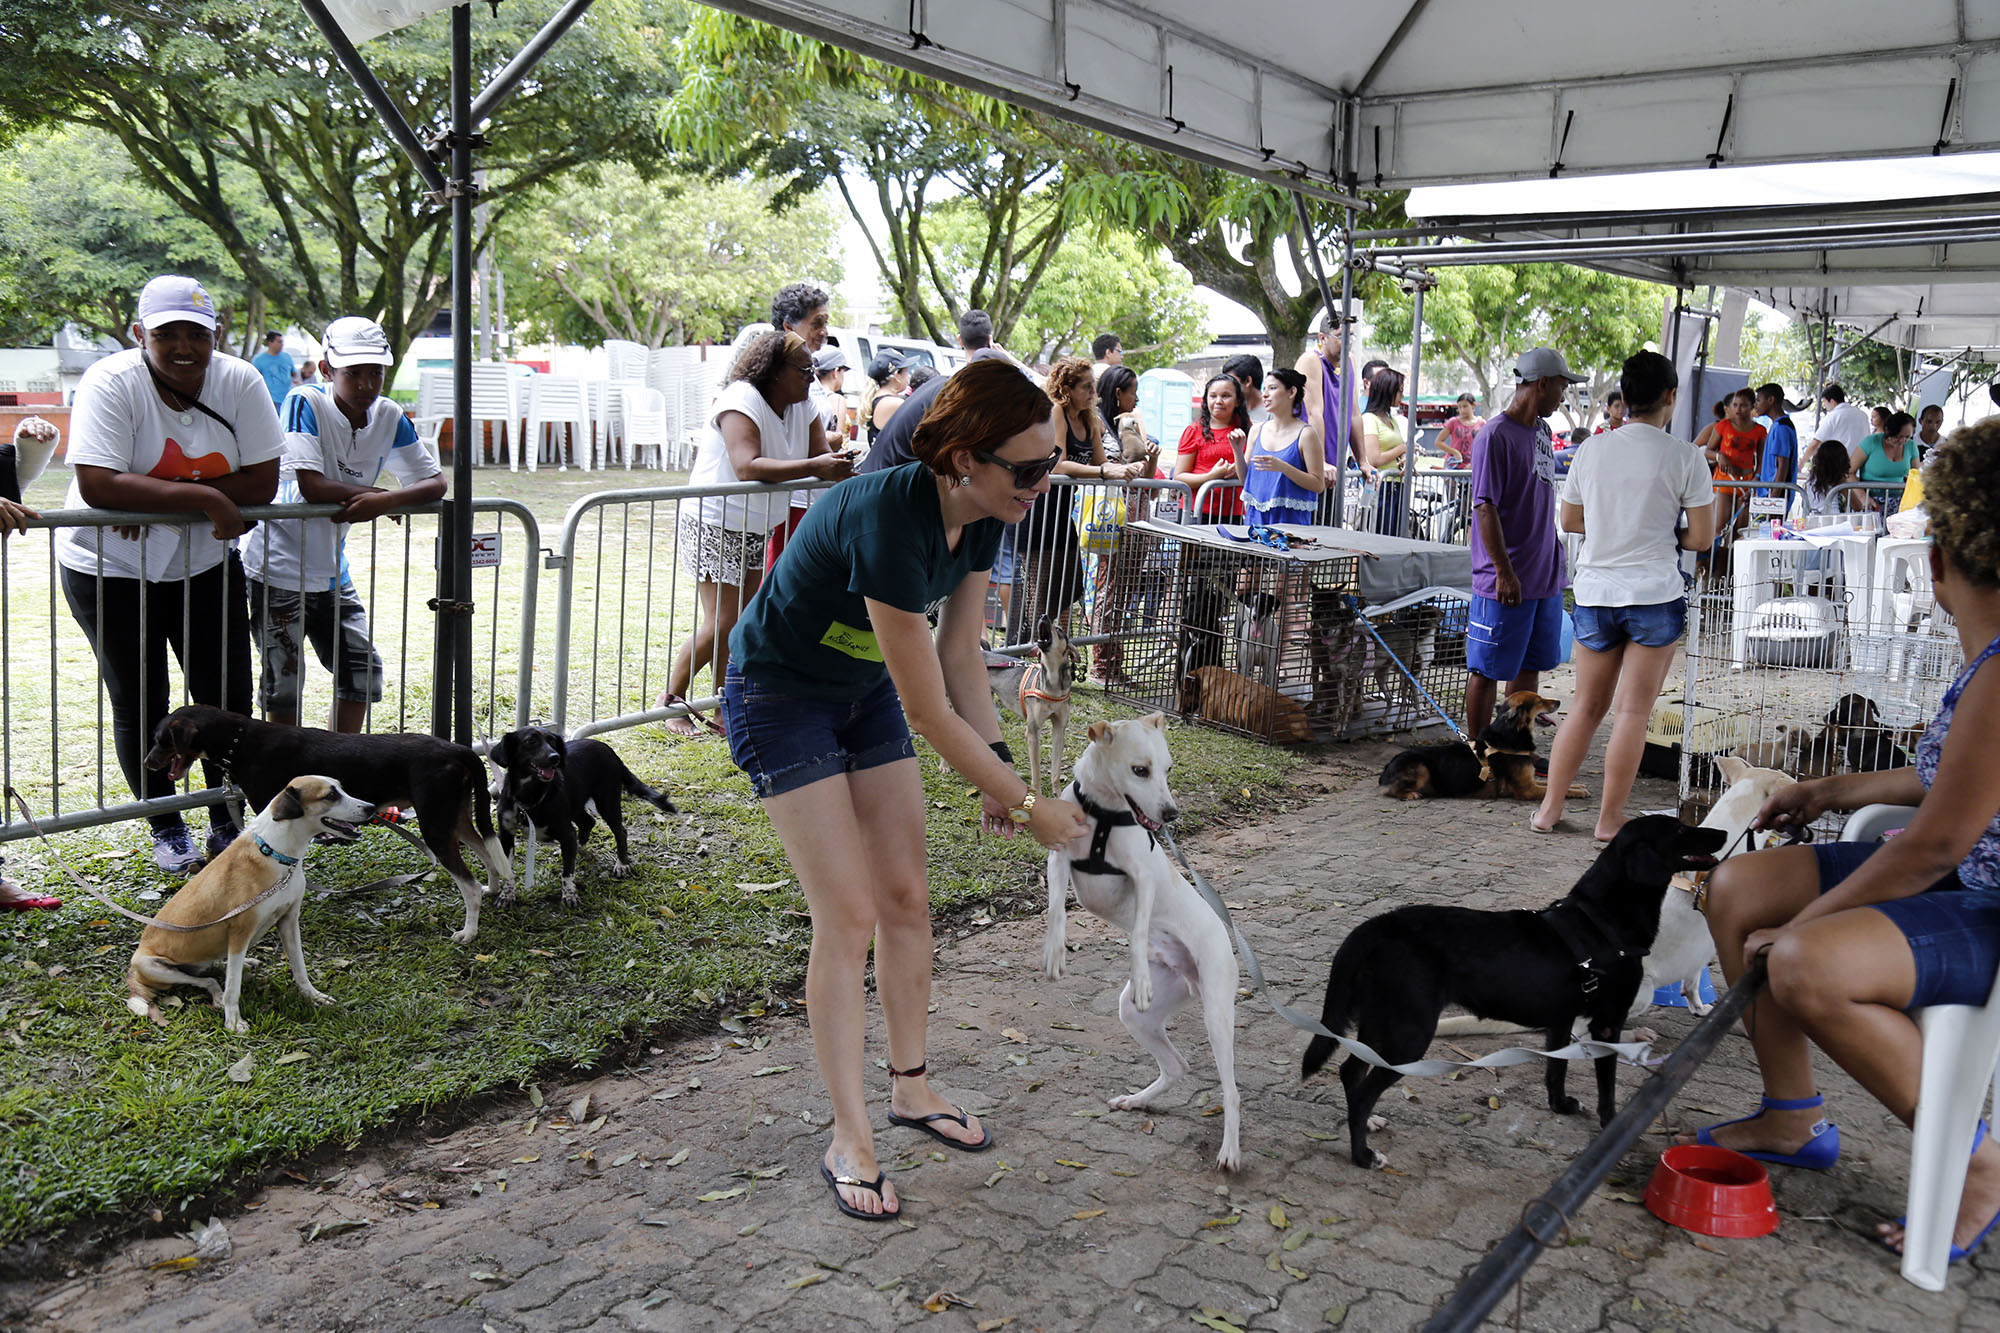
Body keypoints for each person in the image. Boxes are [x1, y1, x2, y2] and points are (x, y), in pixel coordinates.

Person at [720, 358, 1089, 1221]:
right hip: (780, 696)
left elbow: (962, 656)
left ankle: (912, 1090)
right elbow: (929, 708)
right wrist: (1033, 807)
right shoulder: (890, 514)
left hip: (859, 692)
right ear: (965, 457)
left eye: (1053, 465)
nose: (1044, 483)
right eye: (1029, 467)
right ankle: (850, 1135)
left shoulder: (992, 514)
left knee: (906, 899)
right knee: (847, 915)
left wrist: (1002, 775)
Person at [1680, 417, 2000, 1265]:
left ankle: (1977, 1162)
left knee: (1800, 960)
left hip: (1979, 897)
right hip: (1961, 871)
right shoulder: (1986, 657)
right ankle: (1792, 1111)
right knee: (1739, 890)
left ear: (1938, 559)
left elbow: (1932, 845)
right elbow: (1948, 783)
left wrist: (1811, 922)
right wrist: (1829, 790)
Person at [56, 274, 281, 872]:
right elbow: (97, 484)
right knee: (141, 698)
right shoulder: (110, 381)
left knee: (226, 698)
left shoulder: (240, 380)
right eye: (166, 334)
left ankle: (226, 820)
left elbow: (262, 481)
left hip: (204, 564)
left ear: (217, 334)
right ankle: (167, 827)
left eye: (197, 334)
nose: (184, 347)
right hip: (109, 568)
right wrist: (206, 500)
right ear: (139, 335)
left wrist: (149, 496)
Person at [1532, 352, 1715, 841]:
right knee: (1632, 712)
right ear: (1671, 397)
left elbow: (1569, 521)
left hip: (1596, 592)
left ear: (1624, 399)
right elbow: (1701, 538)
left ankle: (1549, 809)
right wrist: (1654, 532)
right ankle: (1610, 820)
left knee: (1585, 706)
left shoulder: (1592, 450)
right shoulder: (1686, 457)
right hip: (1655, 592)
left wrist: (1615, 528)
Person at [242, 317, 445, 732]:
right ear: (327, 371)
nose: (367, 384)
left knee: (362, 671)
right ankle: (290, 778)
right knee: (284, 681)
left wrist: (386, 500)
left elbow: (435, 483)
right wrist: (376, 497)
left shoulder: (388, 415)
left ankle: (340, 762)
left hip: (333, 572)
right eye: (354, 373)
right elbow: (311, 485)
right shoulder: (305, 402)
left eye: (376, 373)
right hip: (278, 567)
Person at [662, 331, 853, 737]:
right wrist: (817, 465)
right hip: (714, 518)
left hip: (754, 523)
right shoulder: (741, 399)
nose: (810, 377)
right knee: (722, 622)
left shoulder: (803, 405)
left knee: (742, 621)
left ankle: (722, 707)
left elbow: (820, 457)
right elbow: (746, 465)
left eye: (813, 369)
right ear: (774, 371)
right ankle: (671, 702)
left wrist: (836, 465)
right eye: (803, 370)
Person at [1463, 347, 1578, 736]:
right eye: (1562, 386)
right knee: (1487, 668)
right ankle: (1479, 752)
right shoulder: (1494, 435)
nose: (1564, 396)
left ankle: (1513, 748)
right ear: (1542, 383)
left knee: (1529, 663)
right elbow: (1485, 507)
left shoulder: (1543, 431)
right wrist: (1503, 571)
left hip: (1543, 573)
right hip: (1505, 576)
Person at [859, 310, 1009, 475]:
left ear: (960, 340)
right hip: (888, 481)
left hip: (886, 475)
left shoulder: (949, 381)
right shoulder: (955, 392)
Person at [1016, 357, 1105, 632]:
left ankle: (1062, 648)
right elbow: (1059, 462)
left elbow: (1100, 462)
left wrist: (1116, 468)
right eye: (1086, 387)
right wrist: (1105, 473)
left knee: (1069, 585)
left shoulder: (1089, 419)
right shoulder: (1057, 412)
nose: (1092, 393)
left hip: (1065, 514)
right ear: (1067, 389)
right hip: (1040, 512)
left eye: (1094, 387)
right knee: (1041, 590)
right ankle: (1033, 648)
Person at [1087, 366, 1156, 685]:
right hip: (1111, 520)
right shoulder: (1098, 424)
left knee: (1123, 592)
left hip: (1138, 518)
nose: (1137, 397)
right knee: (1110, 590)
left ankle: (1116, 666)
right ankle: (1101, 666)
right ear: (1118, 393)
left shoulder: (1130, 425)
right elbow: (1101, 466)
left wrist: (1150, 459)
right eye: (1133, 390)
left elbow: (1147, 479)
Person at [1232, 366, 1324, 530]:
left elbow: (1318, 484)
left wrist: (1283, 467)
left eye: (1272, 388)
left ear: (1291, 392)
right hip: (1256, 519)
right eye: (1264, 389)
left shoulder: (1306, 434)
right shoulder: (1256, 430)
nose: (1265, 394)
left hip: (1291, 523)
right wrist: (1237, 451)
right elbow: (1246, 479)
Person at [1175, 374, 1249, 522]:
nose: (1218, 401)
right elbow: (1179, 476)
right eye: (1213, 396)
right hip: (1195, 511)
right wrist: (1212, 476)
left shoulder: (1247, 430)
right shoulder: (1194, 430)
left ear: (1237, 401)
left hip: (1233, 513)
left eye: (1226, 396)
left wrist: (1239, 468)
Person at [1703, 388, 1766, 544]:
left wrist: (1756, 479)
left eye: (1743, 405)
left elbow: (1762, 459)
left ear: (1752, 407)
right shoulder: (1723, 426)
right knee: (1719, 528)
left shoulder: (1760, 431)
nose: (1738, 409)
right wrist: (1720, 456)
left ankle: (1731, 567)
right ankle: (1712, 565)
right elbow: (1707, 451)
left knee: (1739, 532)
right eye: (1735, 405)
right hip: (1725, 480)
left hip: (1747, 482)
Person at [1360, 368, 1411, 536]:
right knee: (1383, 535)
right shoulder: (1369, 419)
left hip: (1397, 486)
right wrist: (1403, 448)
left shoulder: (1391, 420)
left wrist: (1408, 457)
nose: (1402, 395)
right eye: (1400, 391)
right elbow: (1374, 458)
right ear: (1388, 391)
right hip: (1381, 487)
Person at [1852, 410, 1917, 513]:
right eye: (1898, 436)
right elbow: (1849, 471)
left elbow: (1915, 475)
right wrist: (1862, 496)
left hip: (1898, 502)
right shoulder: (1871, 442)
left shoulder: (1911, 446)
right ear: (1888, 430)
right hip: (1870, 502)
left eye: (1907, 437)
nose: (1902, 441)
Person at [1802, 382, 1869, 466]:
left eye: (1825, 402)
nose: (1825, 406)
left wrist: (1801, 463)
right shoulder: (1862, 415)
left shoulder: (1833, 416)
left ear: (1832, 401)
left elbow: (1815, 444)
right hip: (1860, 466)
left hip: (1839, 467)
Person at [1754, 382, 1799, 491]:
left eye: (1758, 401)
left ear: (1771, 400)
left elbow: (1783, 464)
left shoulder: (1781, 427)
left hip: (1775, 496)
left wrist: (1774, 497)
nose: (1756, 405)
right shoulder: (1776, 425)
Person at [862, 352, 911, 445]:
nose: (909, 376)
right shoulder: (894, 403)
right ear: (896, 375)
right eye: (906, 372)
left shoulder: (877, 398)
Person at [771, 282, 831, 353]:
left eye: (825, 323)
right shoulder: (770, 362)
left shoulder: (824, 360)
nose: (824, 332)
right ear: (789, 327)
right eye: (817, 324)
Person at [809, 345, 850, 442]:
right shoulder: (837, 400)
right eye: (843, 371)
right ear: (836, 372)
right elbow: (836, 439)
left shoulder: (807, 394)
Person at [250, 331, 296, 408]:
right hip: (269, 399)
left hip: (287, 398)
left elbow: (293, 374)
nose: (282, 344)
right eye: (279, 342)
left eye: (282, 342)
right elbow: (254, 378)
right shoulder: (258, 360)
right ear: (270, 343)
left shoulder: (287, 357)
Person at [1436, 393, 1482, 465]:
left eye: (1465, 406)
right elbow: (1438, 442)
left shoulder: (1481, 423)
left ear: (1473, 405)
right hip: (1454, 464)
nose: (1462, 410)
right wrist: (1454, 452)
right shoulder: (1453, 422)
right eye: (1459, 407)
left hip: (1473, 465)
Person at [1221, 353, 1266, 421]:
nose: (1227, 386)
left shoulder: (1274, 413)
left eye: (1232, 381)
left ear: (1248, 381)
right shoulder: (1231, 410)